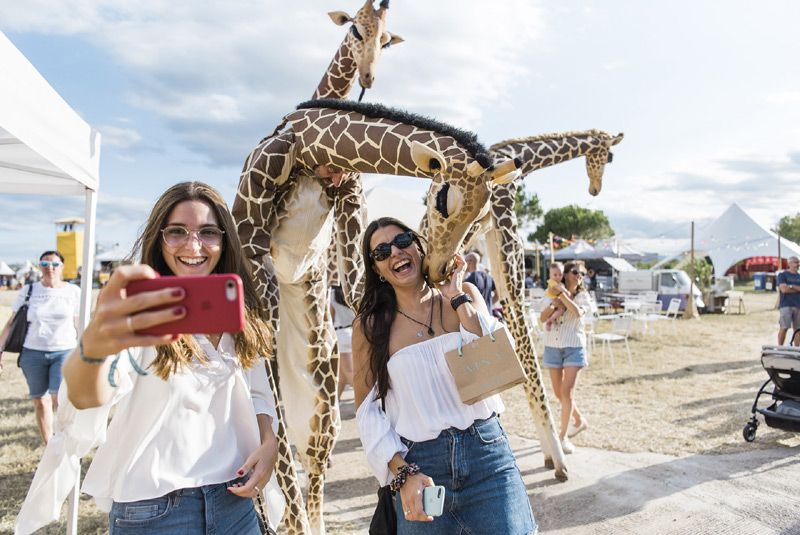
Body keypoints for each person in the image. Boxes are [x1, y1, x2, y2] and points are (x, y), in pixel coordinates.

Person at [16, 182, 283, 534]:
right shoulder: (140, 316)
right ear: (158, 239)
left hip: (235, 504)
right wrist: (96, 343)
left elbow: (258, 393)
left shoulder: (236, 312)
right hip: (155, 511)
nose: (193, 245)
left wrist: (269, 442)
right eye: (177, 232)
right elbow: (85, 398)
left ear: (224, 240)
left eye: (207, 232)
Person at [353, 217, 537, 534]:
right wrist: (402, 473)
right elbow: (368, 411)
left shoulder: (464, 296)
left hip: (487, 457)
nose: (394, 253)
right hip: (421, 467)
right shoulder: (371, 326)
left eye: (402, 241)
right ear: (378, 269)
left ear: (419, 245)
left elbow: (498, 362)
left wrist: (457, 297)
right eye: (382, 251)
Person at [0, 250, 80, 444]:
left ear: (62, 266)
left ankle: (66, 440)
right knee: (40, 401)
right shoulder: (28, 290)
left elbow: (79, 323)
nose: (49, 268)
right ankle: (49, 444)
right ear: (39, 267)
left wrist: (87, 350)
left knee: (59, 398)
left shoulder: (74, 292)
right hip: (32, 353)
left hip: (64, 351)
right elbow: (11, 323)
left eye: (54, 264)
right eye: (44, 264)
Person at [538, 261, 591, 454]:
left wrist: (562, 295)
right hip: (552, 347)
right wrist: (555, 300)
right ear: (566, 274)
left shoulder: (583, 296)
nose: (579, 276)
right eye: (576, 272)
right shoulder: (550, 292)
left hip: (574, 347)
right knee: (558, 393)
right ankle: (578, 420)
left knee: (567, 393)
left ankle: (563, 437)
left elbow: (577, 312)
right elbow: (543, 318)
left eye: (582, 274)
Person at [330, 284, 355, 400]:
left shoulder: (331, 294)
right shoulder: (349, 293)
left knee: (349, 371)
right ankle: (335, 403)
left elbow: (331, 317)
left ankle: (368, 401)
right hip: (352, 331)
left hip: (340, 334)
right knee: (342, 374)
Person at [778, 256, 800, 345]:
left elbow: (787, 288)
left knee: (798, 329)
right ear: (789, 263)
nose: (798, 264)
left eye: (798, 262)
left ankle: (797, 350)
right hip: (786, 305)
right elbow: (783, 289)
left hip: (798, 305)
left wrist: (791, 286)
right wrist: (797, 288)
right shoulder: (782, 275)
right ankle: (780, 348)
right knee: (784, 327)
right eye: (796, 262)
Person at [542, 263, 567, 331]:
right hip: (550, 300)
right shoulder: (552, 282)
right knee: (557, 309)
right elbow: (559, 288)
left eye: (560, 275)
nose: (558, 277)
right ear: (550, 275)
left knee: (561, 310)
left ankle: (551, 320)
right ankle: (550, 320)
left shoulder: (560, 284)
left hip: (555, 300)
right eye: (555, 275)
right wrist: (566, 291)